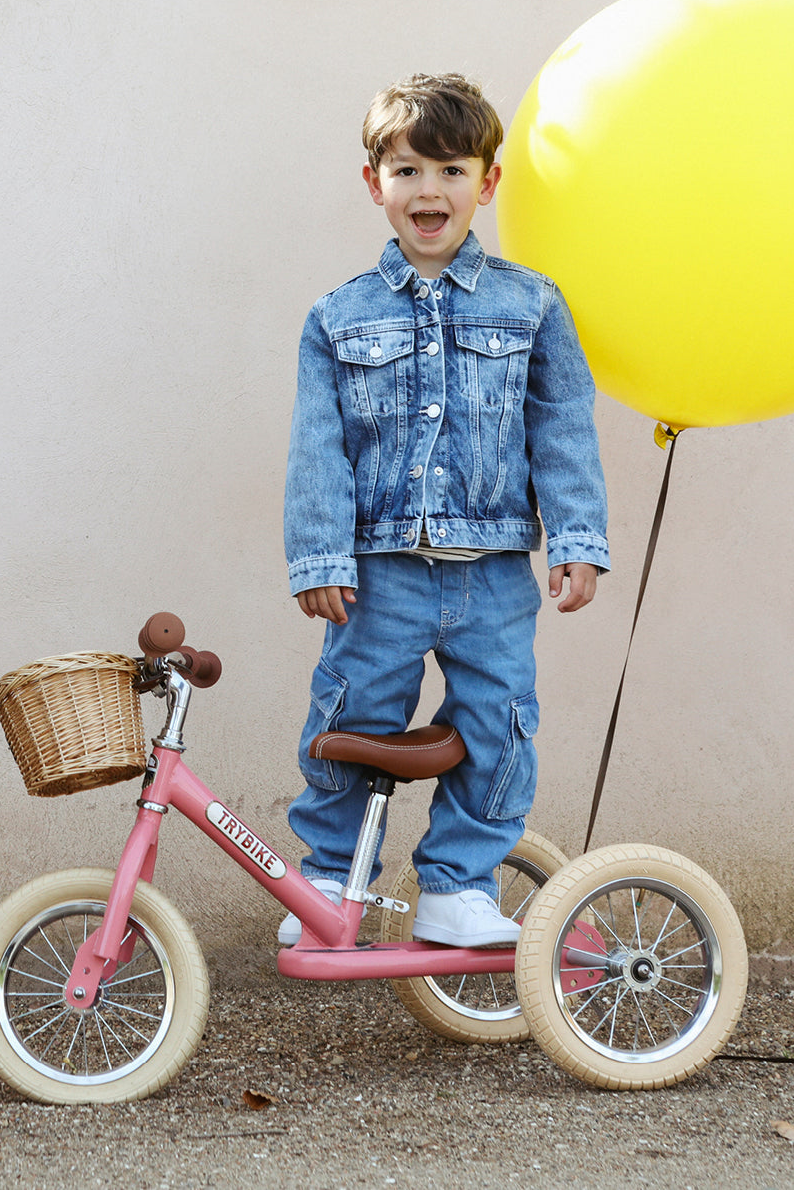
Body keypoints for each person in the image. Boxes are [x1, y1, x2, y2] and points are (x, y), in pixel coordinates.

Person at [279, 73, 606, 949]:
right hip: (378, 575)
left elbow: (561, 427)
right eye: (408, 170)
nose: (430, 190)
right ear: (374, 182)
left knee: (499, 725)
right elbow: (317, 448)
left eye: (451, 170)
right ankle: (327, 875)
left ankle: (458, 886)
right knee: (347, 719)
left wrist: (575, 538)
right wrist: (319, 557)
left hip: (493, 574)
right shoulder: (336, 317)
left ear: (486, 182)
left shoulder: (532, 304)